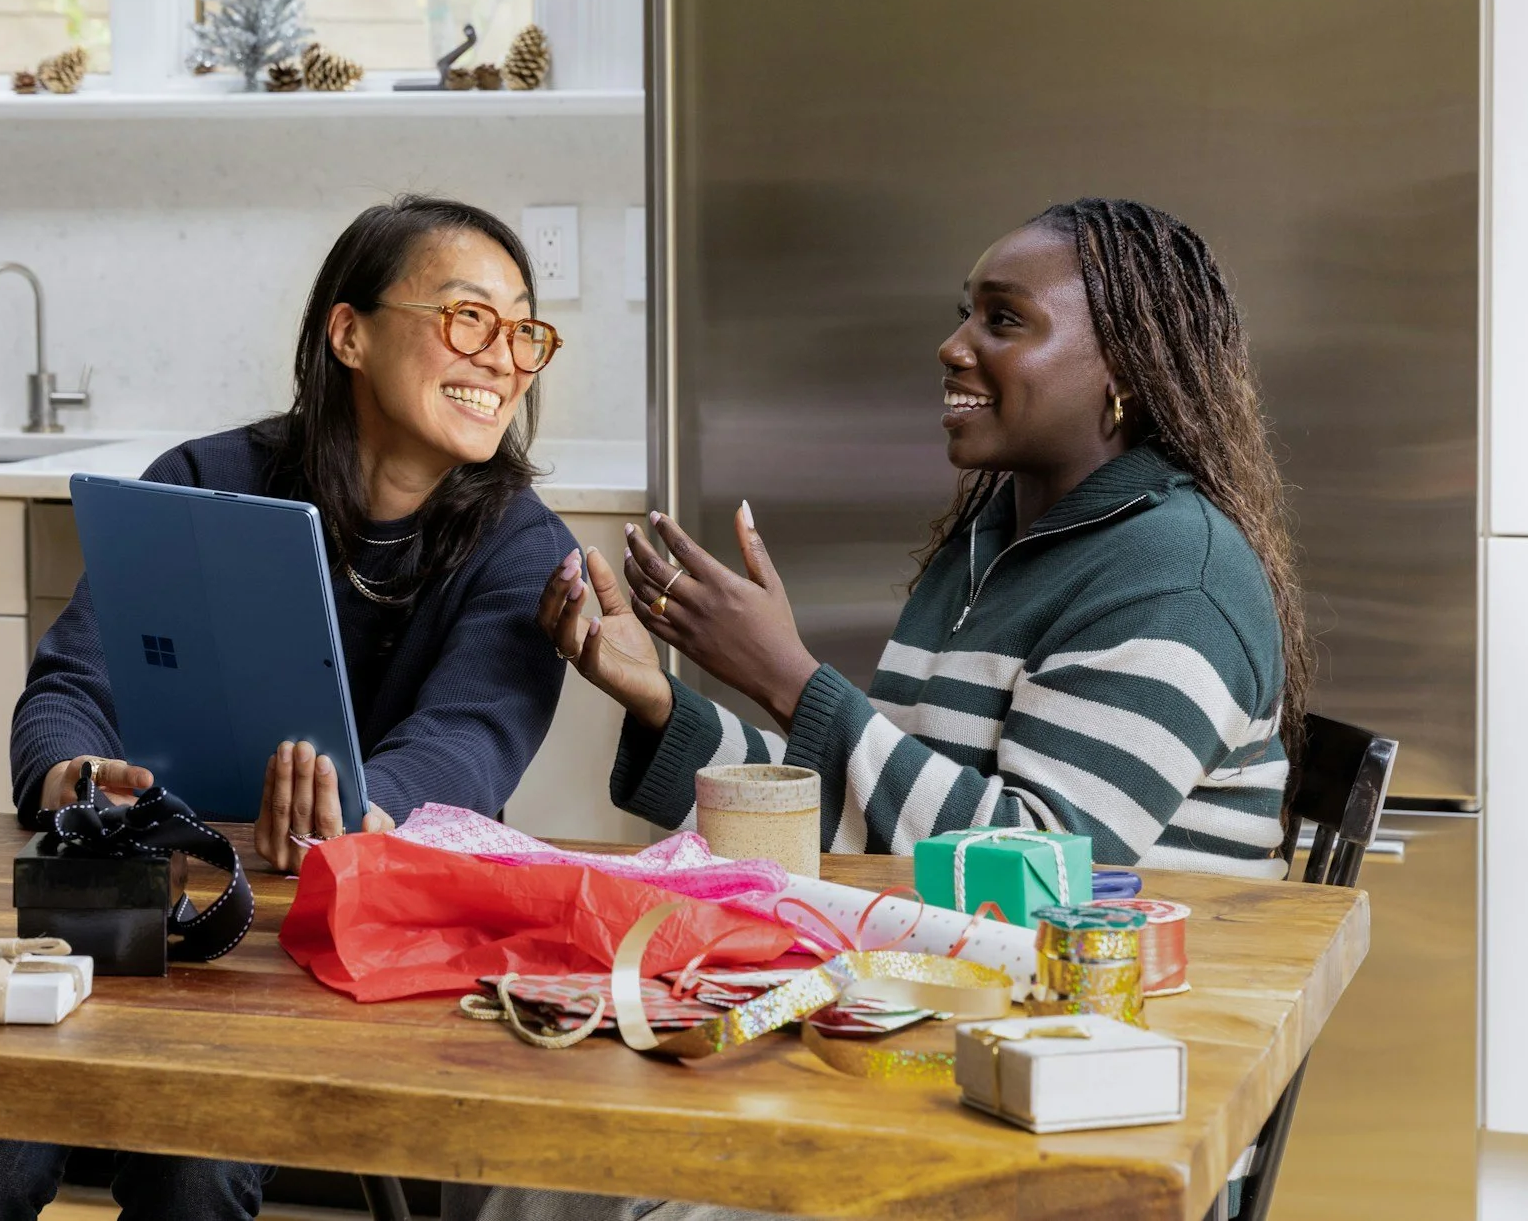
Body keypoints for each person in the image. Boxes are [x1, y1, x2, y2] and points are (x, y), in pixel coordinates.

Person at [460, 198, 1306, 1221]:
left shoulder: (1175, 573)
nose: (951, 346)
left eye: (1003, 319)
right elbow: (880, 824)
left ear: (1122, 370)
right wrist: (657, 700)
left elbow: (1041, 882)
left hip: (1092, 1104)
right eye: (965, 313)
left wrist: (789, 677)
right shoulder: (992, 538)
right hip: (942, 1037)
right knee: (540, 1165)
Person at [0, 195, 579, 1221]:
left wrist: (354, 813)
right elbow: (73, 684)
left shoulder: (523, 545)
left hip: (360, 940)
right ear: (349, 332)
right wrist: (72, 777)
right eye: (466, 316)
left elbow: (467, 749)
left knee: (196, 1160)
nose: (502, 359)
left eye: (522, 331)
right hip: (147, 908)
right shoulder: (206, 481)